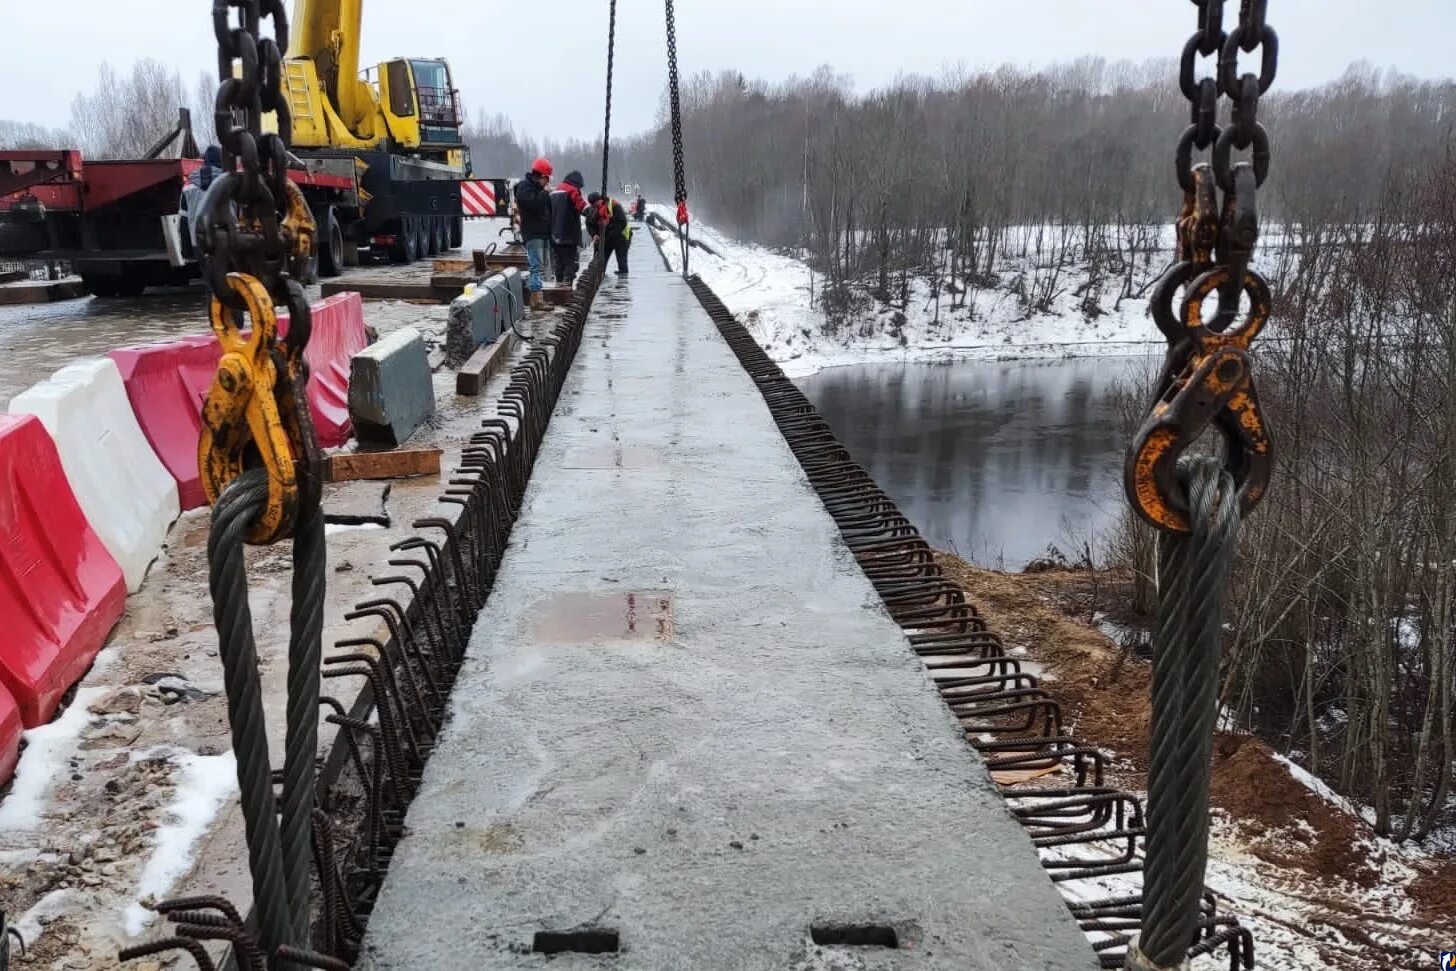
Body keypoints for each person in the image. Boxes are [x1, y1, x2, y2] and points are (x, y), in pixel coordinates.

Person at [512, 157, 553, 308]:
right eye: (546, 179)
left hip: (542, 233)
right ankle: (536, 300)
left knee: (540, 266)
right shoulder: (525, 188)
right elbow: (534, 204)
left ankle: (538, 297)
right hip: (533, 233)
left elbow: (546, 210)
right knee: (535, 266)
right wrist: (545, 194)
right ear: (540, 176)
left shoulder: (538, 190)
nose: (547, 182)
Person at [549, 170, 589, 284]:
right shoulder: (571, 190)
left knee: (559, 264)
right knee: (570, 264)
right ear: (577, 183)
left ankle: (559, 287)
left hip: (555, 236)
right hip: (568, 236)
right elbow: (581, 206)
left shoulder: (554, 192)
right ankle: (567, 290)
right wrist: (593, 214)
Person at [587, 192, 632, 275]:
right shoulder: (593, 210)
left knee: (621, 260)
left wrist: (608, 236)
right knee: (602, 258)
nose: (594, 206)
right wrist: (594, 234)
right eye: (592, 205)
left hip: (621, 236)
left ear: (600, 200)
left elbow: (622, 223)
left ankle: (623, 276)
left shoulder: (614, 205)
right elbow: (590, 224)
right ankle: (600, 273)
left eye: (595, 204)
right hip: (607, 237)